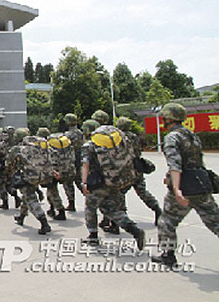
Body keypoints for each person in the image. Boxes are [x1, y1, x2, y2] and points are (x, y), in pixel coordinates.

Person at [152, 103, 219, 267]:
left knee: (166, 221)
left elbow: (176, 165)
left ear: (169, 118)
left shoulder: (172, 137)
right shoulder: (192, 135)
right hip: (200, 184)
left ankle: (168, 256)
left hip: (184, 187)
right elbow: (195, 162)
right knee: (215, 222)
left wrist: (176, 189)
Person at [80, 119, 145, 249]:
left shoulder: (89, 146)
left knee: (90, 208)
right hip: (116, 180)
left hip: (98, 184)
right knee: (111, 210)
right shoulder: (115, 143)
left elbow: (85, 164)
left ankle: (93, 236)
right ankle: (134, 230)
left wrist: (84, 182)